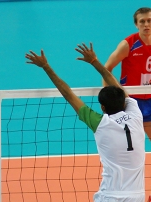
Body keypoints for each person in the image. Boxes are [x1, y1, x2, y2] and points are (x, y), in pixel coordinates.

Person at [25, 43, 145, 202]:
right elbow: (116, 86)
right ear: (123, 102)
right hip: (138, 196)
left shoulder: (100, 123)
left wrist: (46, 66)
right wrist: (95, 61)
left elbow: (68, 94)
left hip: (110, 196)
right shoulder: (136, 113)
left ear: (102, 107)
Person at [104, 7, 151, 140]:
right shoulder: (128, 45)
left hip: (150, 97)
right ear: (136, 24)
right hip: (130, 100)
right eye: (142, 21)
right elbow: (107, 68)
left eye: (149, 20)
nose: (146, 24)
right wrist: (108, 96)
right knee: (129, 141)